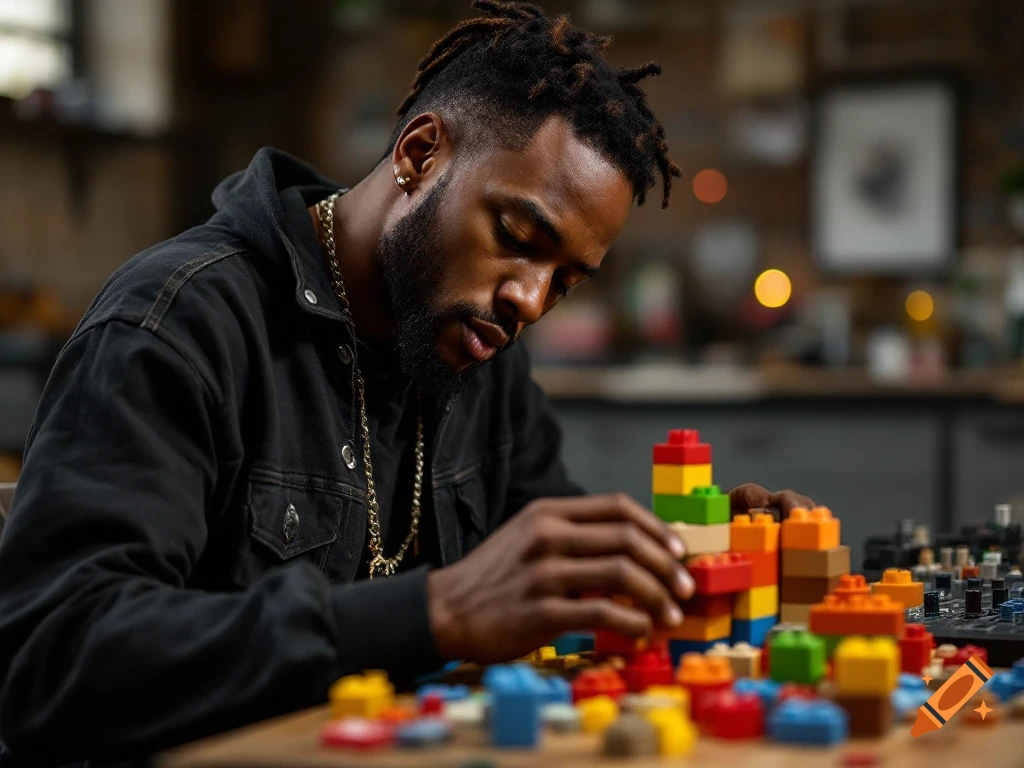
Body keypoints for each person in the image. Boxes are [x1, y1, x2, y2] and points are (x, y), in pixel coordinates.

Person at [0, 2, 813, 765]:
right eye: (518, 236)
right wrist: (432, 613)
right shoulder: (179, 324)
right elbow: (50, 660)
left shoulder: (479, 341)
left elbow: (546, 568)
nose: (529, 299)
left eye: (566, 281)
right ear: (421, 154)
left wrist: (691, 557)